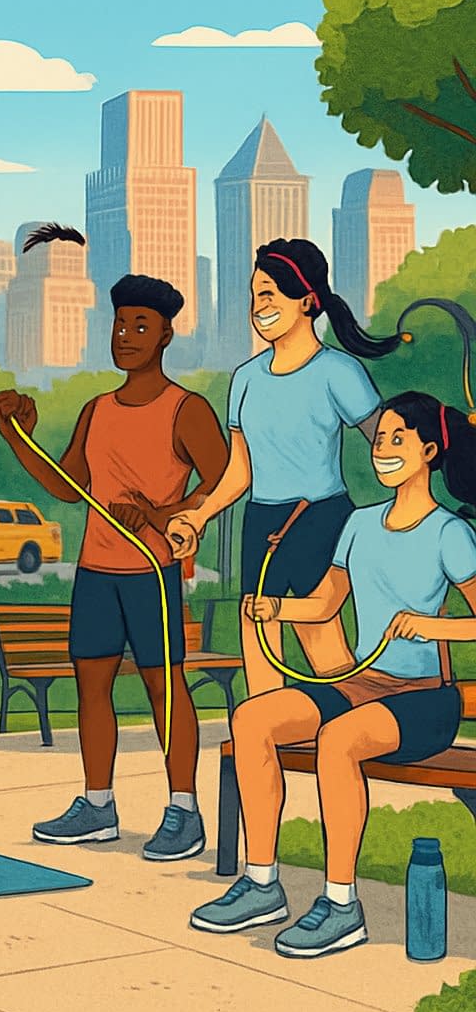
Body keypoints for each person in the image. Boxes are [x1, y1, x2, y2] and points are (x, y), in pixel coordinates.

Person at [190, 391, 476, 958]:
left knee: (338, 739)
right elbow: (324, 604)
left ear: (429, 450)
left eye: (398, 439)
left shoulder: (450, 534)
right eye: (378, 438)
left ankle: (342, 904)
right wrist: (275, 609)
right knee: (252, 719)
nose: (382, 449)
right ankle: (263, 882)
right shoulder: (360, 526)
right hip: (360, 686)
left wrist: (433, 627)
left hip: (425, 702)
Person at [0, 260, 229, 861]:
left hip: (152, 572)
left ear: (166, 335)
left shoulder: (186, 409)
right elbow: (69, 487)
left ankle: (184, 811)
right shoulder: (97, 409)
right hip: (97, 571)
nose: (125, 336)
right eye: (120, 325)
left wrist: (163, 511)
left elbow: (224, 483)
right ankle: (98, 806)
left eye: (140, 326)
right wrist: (15, 435)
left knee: (165, 689)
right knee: (90, 687)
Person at [167, 238, 402, 695]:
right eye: (255, 296)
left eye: (270, 293)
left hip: (321, 519)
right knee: (260, 649)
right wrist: (198, 515)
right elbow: (241, 470)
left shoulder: (339, 371)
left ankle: (355, 742)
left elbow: (389, 450)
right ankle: (263, 744)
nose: (259, 306)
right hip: (261, 521)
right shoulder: (246, 379)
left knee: (326, 650)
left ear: (308, 301)